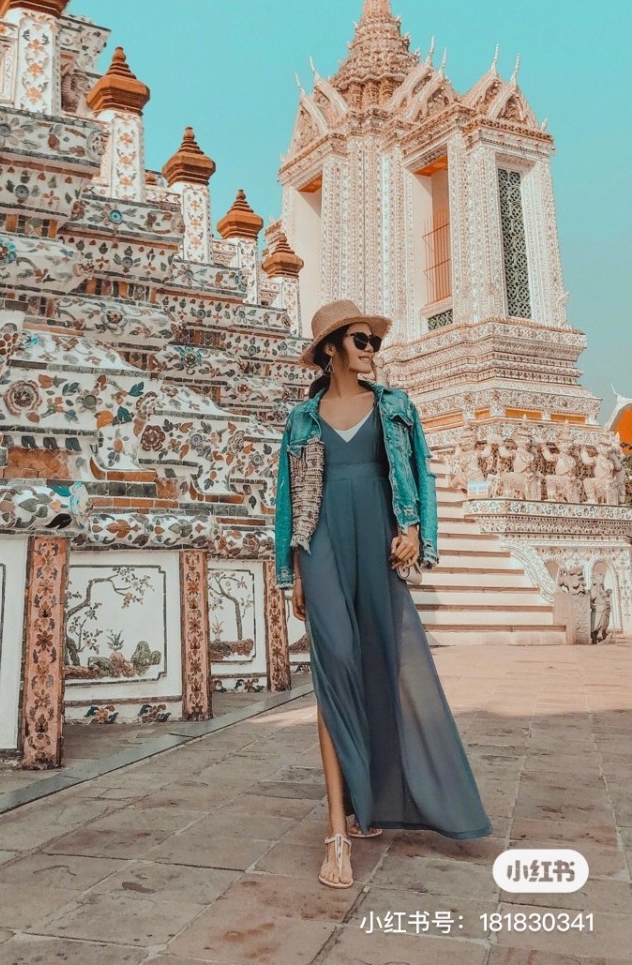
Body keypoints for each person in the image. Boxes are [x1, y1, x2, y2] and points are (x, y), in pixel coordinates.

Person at [274, 299, 492, 890]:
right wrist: (290, 570)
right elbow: (287, 496)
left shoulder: (396, 407)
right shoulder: (302, 418)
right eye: (362, 341)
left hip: (377, 538)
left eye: (373, 341)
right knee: (333, 667)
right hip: (320, 545)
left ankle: (373, 801)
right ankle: (336, 832)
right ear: (331, 349)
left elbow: (417, 472)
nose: (373, 350)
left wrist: (416, 530)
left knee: (383, 665)